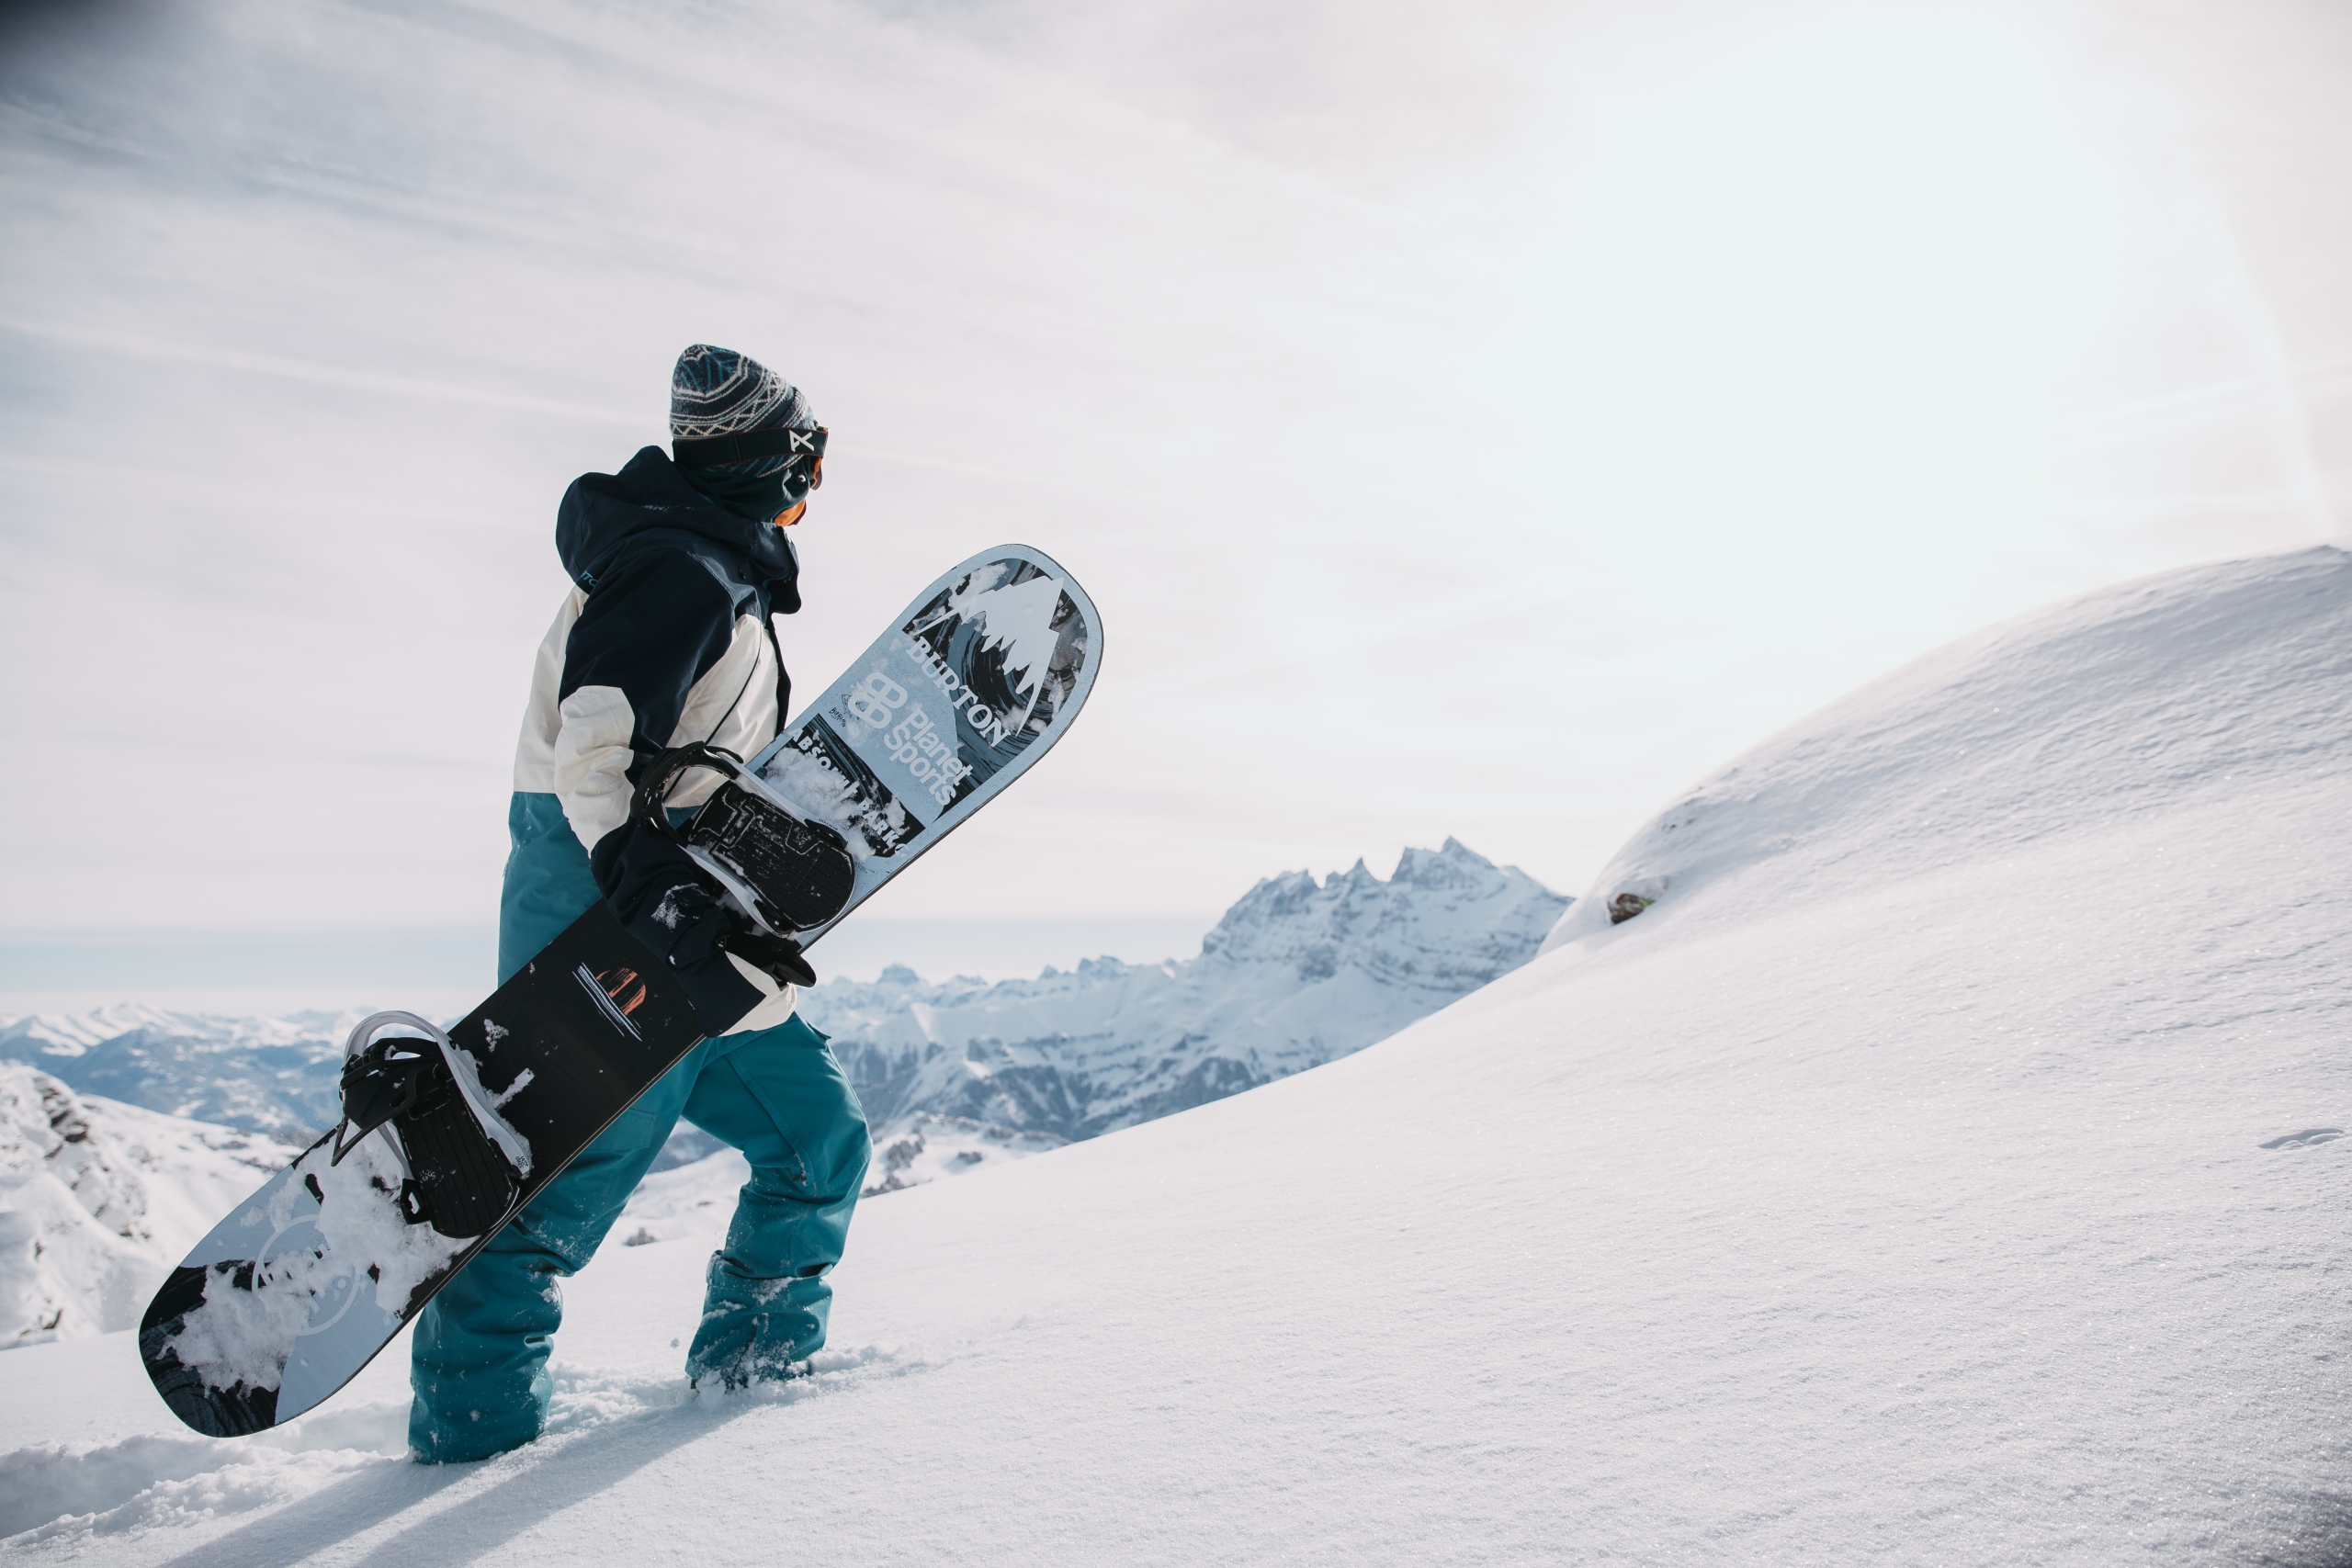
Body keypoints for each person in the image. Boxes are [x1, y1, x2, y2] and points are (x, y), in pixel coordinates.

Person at [406, 344, 873, 1463]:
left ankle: (750, 1379)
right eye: (809, 459)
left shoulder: (711, 568)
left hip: (695, 910)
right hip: (613, 902)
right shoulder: (676, 566)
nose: (815, 485)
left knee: (817, 1138)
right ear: (770, 461)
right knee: (560, 1184)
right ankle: (468, 1445)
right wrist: (637, 870)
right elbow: (595, 744)